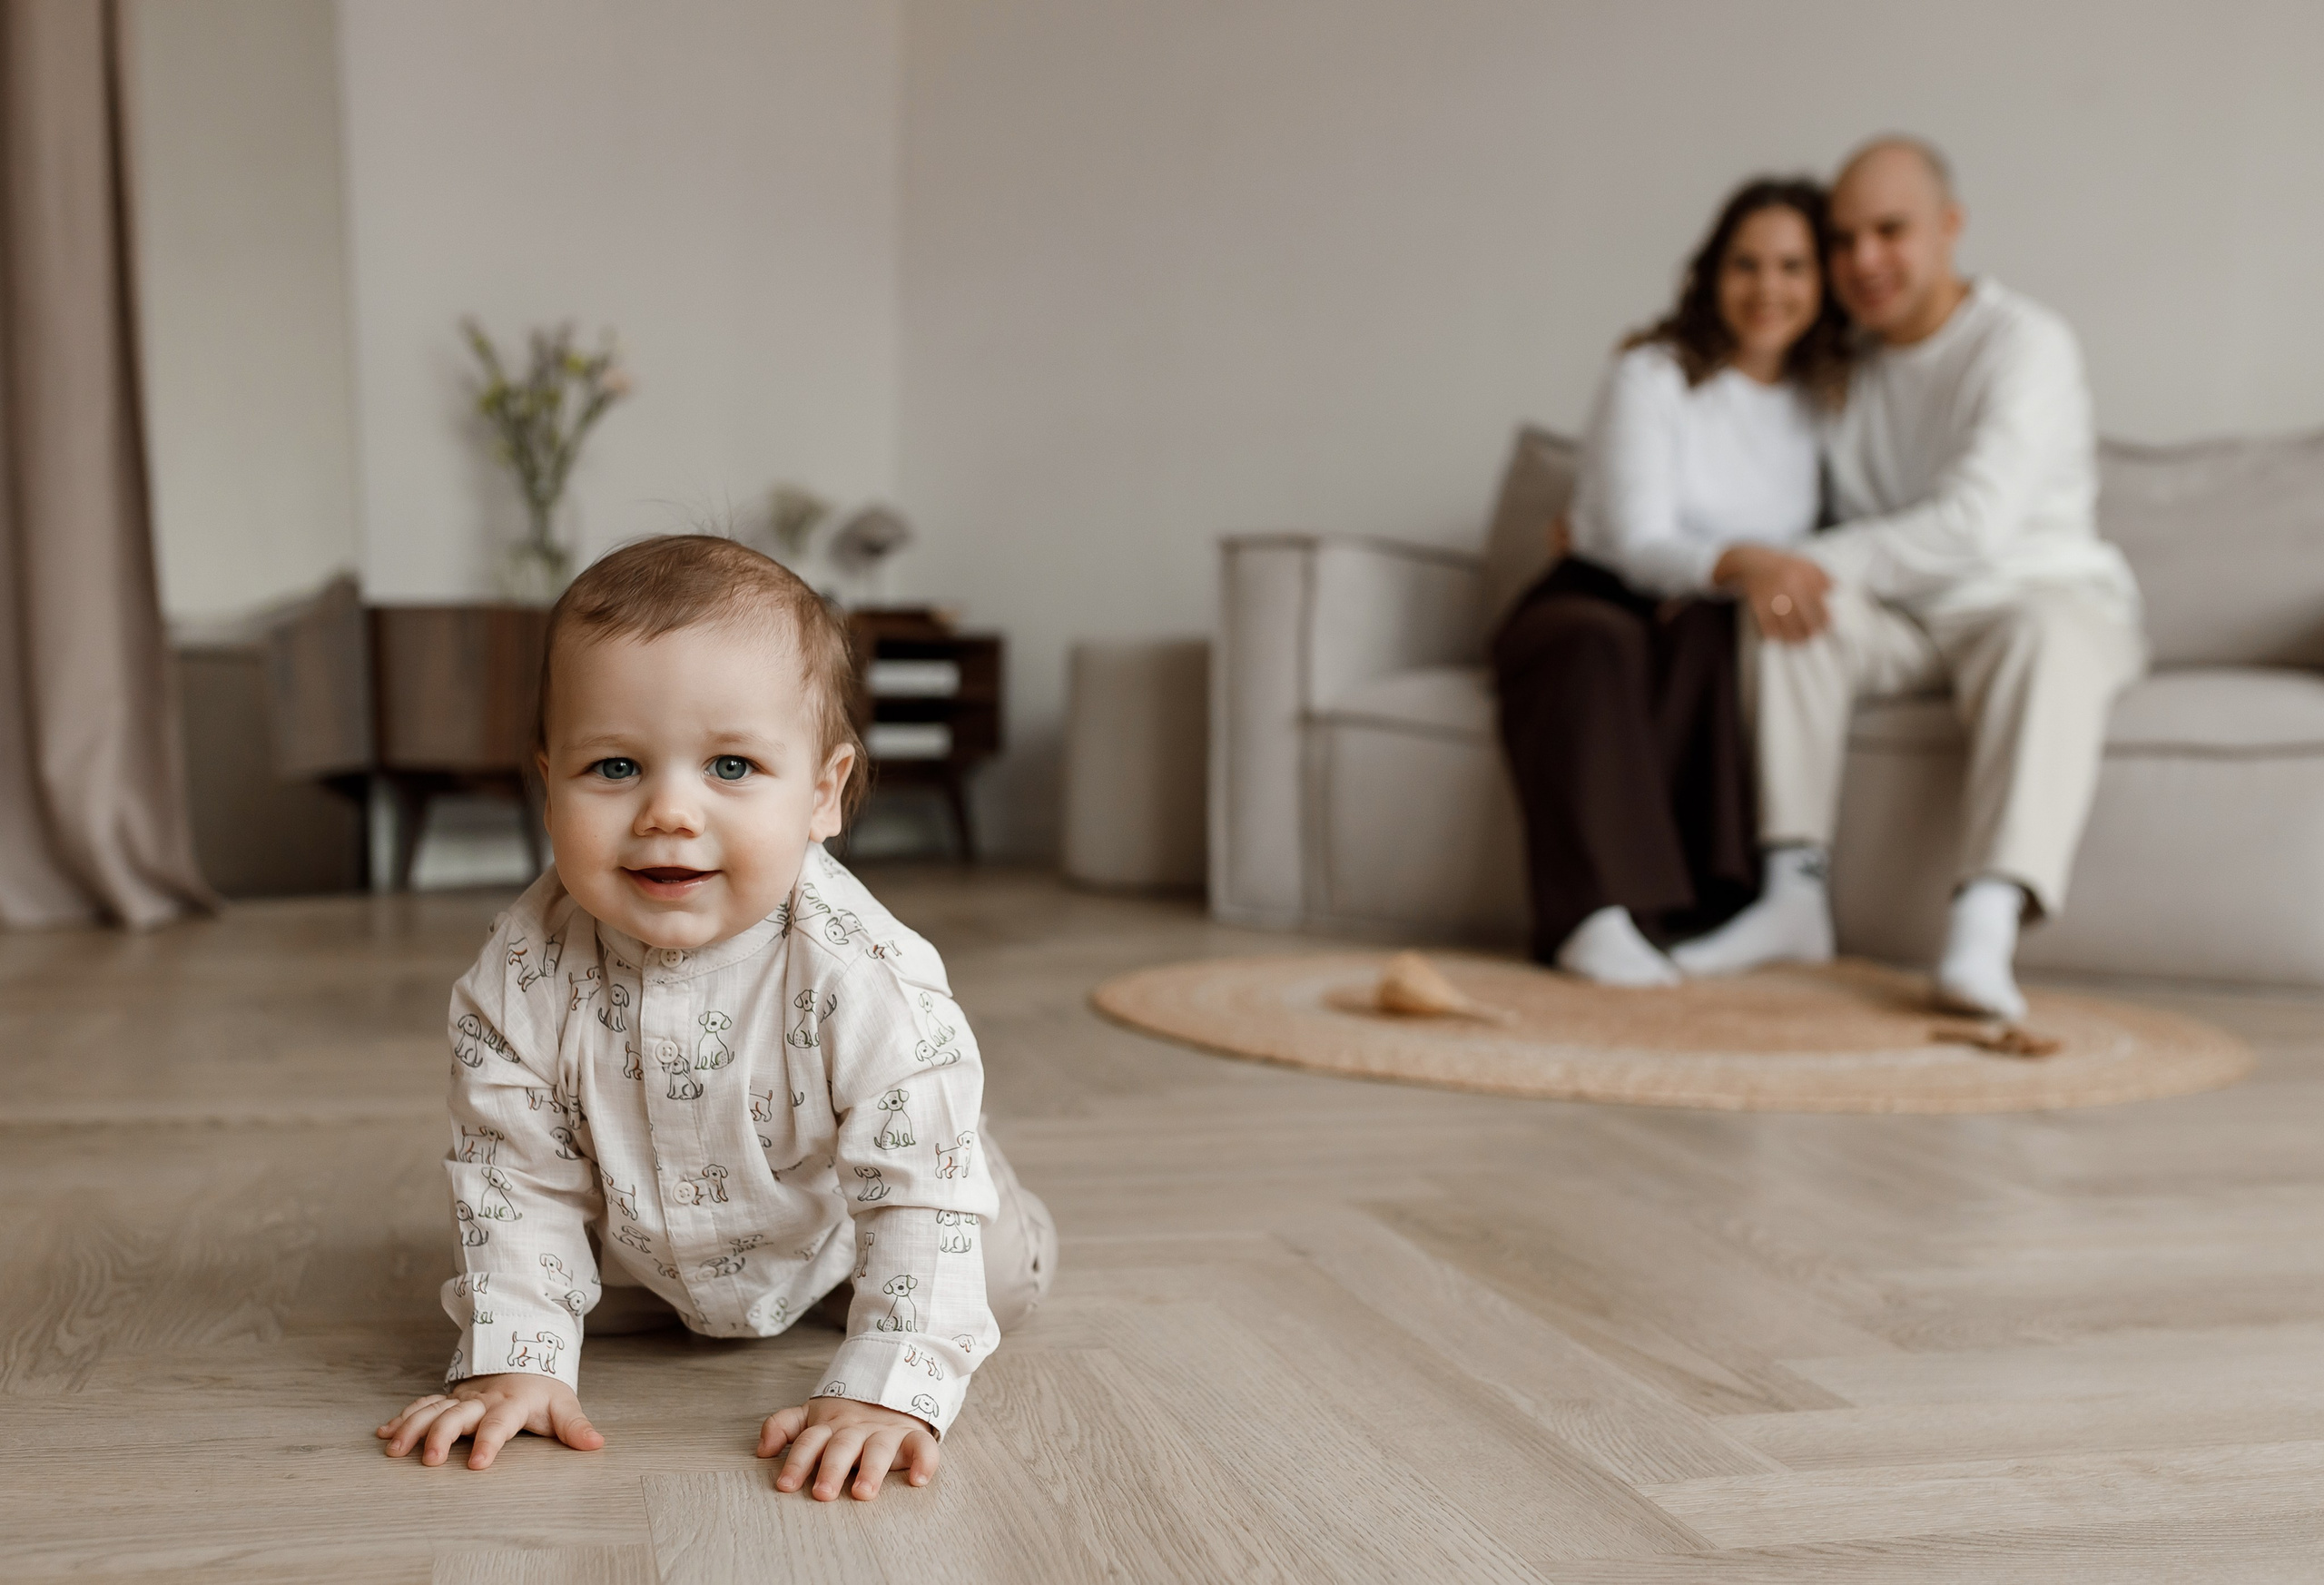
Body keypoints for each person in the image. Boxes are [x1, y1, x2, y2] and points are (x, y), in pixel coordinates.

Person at [375, 535, 1057, 1501]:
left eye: (730, 765)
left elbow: (919, 1206)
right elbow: (513, 1175)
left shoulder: (867, 976)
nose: (668, 811)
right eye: (615, 767)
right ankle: (639, 1309)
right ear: (548, 787)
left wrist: (884, 1392)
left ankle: (964, 1150)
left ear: (822, 795)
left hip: (844, 1229)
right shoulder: (518, 978)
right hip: (646, 1242)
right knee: (542, 1291)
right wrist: (518, 1358)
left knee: (988, 1275)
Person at [1671, 138, 2143, 1020]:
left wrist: (1811, 558)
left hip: (2034, 599)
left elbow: (1976, 523)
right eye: (1842, 240)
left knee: (2041, 635)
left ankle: (1984, 923)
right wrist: (1623, 524)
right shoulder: (1838, 367)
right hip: (1906, 623)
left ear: (1948, 227)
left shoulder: (2025, 344)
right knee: (1783, 603)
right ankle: (1791, 894)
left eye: (1890, 231)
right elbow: (1745, 476)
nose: (1863, 260)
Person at [1492, 178, 1851, 984]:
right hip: (1598, 591)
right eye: (1745, 264)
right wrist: (1744, 559)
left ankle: (1698, 913)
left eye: (1792, 267)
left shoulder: (1826, 405)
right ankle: (1591, 916)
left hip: (1709, 617)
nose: (1768, 288)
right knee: (1596, 646)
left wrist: (1748, 576)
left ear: (1822, 282)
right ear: (1712, 274)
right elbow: (1633, 539)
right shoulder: (1650, 374)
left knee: (1713, 642)